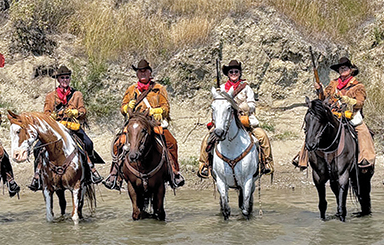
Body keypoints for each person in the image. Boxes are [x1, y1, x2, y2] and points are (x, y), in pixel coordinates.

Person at [292, 57, 375, 216]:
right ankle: (302, 157)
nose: (342, 70)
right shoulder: (334, 83)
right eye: (341, 68)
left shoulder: (358, 86)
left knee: (363, 131)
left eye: (345, 68)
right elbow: (324, 98)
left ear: (351, 69)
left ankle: (365, 157)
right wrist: (320, 90)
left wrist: (347, 99)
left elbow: (360, 102)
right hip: (334, 115)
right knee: (313, 130)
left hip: (351, 115)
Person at [103, 59, 185, 189]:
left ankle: (174, 172)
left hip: (154, 124)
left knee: (171, 143)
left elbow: (166, 107)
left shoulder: (159, 89)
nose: (142, 73)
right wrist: (126, 108)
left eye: (145, 71)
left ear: (150, 72)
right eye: (140, 71)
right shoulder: (131, 90)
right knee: (119, 143)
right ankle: (115, 175)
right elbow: (122, 108)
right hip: (135, 124)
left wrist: (158, 110)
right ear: (137, 74)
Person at [22, 65, 103, 191]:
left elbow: (83, 111)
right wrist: (52, 116)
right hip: (56, 129)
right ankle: (37, 177)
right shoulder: (51, 96)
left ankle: (90, 172)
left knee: (88, 143)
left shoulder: (77, 94)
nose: (65, 80)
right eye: (62, 78)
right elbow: (46, 113)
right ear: (58, 79)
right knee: (38, 148)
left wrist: (76, 112)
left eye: (67, 77)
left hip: (72, 127)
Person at [196, 60, 273, 178]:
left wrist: (241, 107)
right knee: (207, 139)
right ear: (227, 74)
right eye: (231, 71)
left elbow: (252, 104)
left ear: (240, 73)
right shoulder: (221, 88)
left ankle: (266, 163)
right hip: (225, 120)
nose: (233, 73)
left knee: (262, 136)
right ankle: (204, 165)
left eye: (236, 71)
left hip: (243, 118)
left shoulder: (246, 88)